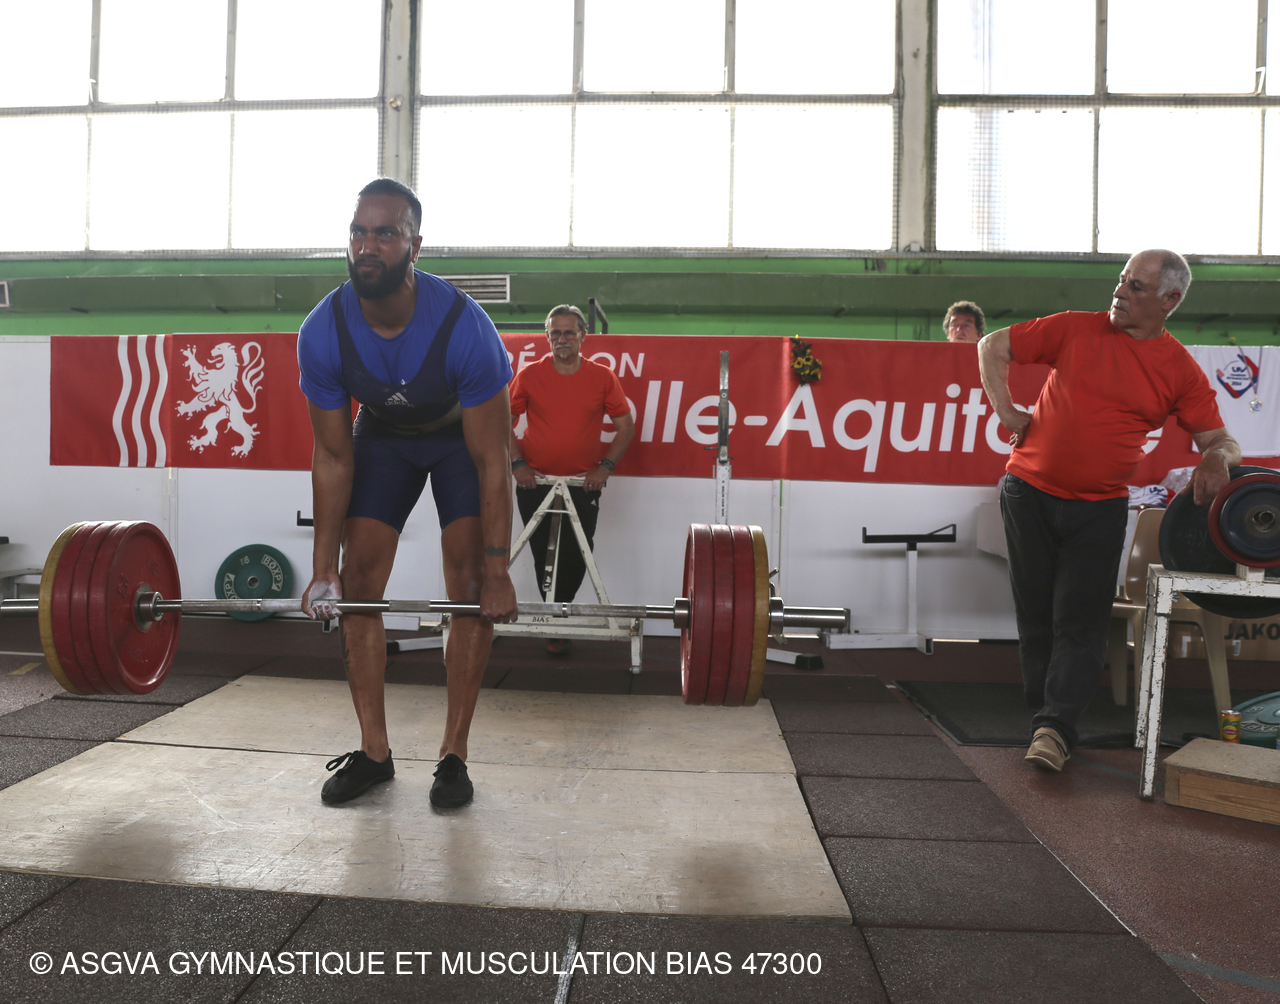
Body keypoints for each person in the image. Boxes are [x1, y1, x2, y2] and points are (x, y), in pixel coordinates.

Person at [296, 178, 518, 809]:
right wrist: (322, 571)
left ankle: (453, 755)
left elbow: (493, 459)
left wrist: (499, 573)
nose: (367, 245)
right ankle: (374, 752)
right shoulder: (323, 330)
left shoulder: (464, 326)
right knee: (358, 582)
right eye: (358, 232)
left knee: (469, 586)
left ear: (415, 246)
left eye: (385, 233)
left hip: (457, 439)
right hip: (383, 438)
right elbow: (333, 456)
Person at [978, 249, 1240, 773]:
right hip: (1027, 493)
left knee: (1081, 619)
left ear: (1170, 299)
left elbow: (1222, 440)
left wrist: (1215, 459)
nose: (1120, 291)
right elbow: (993, 345)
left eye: (1136, 286)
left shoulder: (1178, 370)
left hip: (1099, 509)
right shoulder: (1074, 328)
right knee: (1037, 617)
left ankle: (1054, 728)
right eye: (1121, 280)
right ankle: (1045, 716)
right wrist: (1005, 409)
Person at [509, 305, 636, 654]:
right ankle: (556, 619)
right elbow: (503, 420)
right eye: (555, 333)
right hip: (535, 481)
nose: (562, 339)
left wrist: (605, 467)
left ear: (583, 336)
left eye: (569, 332)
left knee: (579, 551)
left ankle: (558, 612)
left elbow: (625, 427)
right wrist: (517, 463)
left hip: (583, 483)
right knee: (542, 552)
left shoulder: (602, 377)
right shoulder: (529, 375)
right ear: (546, 336)